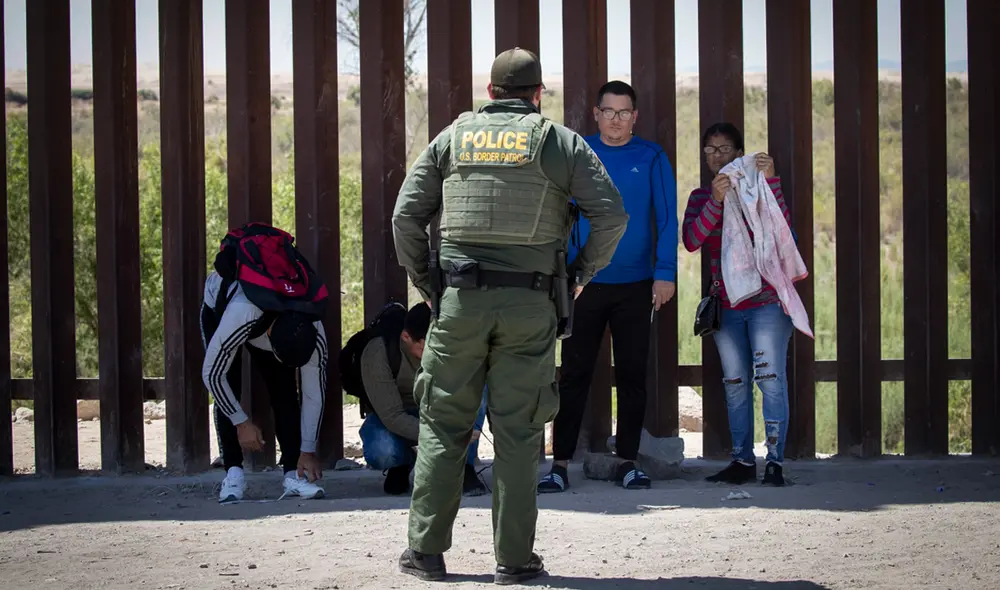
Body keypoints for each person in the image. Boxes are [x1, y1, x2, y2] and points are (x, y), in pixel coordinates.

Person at [391, 47, 628, 584]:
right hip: (531, 304)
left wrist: (429, 285)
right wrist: (582, 272)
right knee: (519, 432)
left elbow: (406, 216)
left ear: (491, 93)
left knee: (444, 423)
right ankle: (514, 562)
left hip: (459, 304)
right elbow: (612, 215)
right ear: (537, 94)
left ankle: (426, 554)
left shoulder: (453, 138)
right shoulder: (558, 142)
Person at [537, 80, 677, 494]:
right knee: (574, 374)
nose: (616, 121)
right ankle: (559, 465)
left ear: (635, 117)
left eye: (624, 113)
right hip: (585, 285)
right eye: (608, 112)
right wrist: (564, 275)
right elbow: (558, 214)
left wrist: (664, 271)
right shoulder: (577, 152)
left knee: (633, 375)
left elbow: (667, 218)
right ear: (596, 114)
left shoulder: (651, 157)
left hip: (636, 285)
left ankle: (628, 462)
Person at [682, 122, 794, 486]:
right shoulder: (701, 197)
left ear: (740, 153)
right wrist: (715, 202)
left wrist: (771, 182)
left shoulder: (758, 192)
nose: (718, 156)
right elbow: (693, 240)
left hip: (766, 303)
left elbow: (782, 234)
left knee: (772, 382)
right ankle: (743, 461)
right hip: (727, 306)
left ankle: (774, 462)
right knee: (734, 383)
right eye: (711, 150)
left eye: (725, 149)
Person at [200, 232, 328, 503]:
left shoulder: (313, 328)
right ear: (269, 338)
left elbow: (313, 393)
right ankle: (233, 474)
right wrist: (241, 422)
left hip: (276, 319)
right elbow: (211, 374)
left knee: (285, 394)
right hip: (223, 310)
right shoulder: (242, 314)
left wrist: (307, 450)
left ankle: (293, 474)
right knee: (228, 383)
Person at [345, 301, 489, 496]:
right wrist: (445, 433)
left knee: (477, 389)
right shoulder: (378, 353)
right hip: (396, 418)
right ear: (406, 337)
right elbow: (393, 416)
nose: (433, 354)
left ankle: (464, 467)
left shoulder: (449, 345)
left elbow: (468, 390)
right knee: (382, 450)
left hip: (439, 409)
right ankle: (403, 463)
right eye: (426, 348)